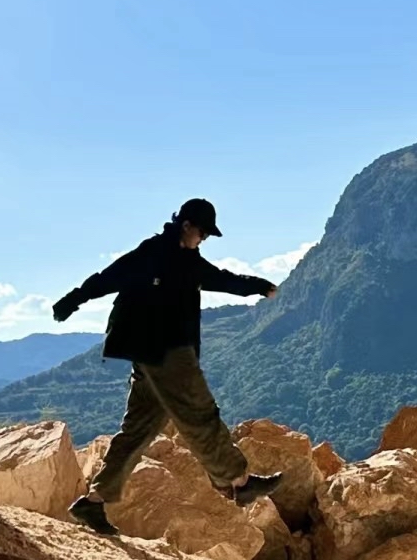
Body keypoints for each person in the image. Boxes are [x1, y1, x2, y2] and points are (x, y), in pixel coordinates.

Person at [52, 197, 282, 536]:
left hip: (153, 355)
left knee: (139, 430)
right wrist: (74, 298)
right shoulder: (152, 252)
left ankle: (94, 502)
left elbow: (223, 279)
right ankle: (238, 480)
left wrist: (259, 286)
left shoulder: (190, 261)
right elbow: (109, 277)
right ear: (186, 225)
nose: (203, 239)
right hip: (165, 351)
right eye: (202, 232)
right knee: (199, 412)